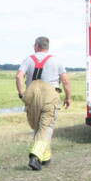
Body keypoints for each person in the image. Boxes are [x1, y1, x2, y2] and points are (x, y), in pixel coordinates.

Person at [15, 37, 72, 170]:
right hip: (49, 95)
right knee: (46, 126)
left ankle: (45, 157)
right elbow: (66, 81)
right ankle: (35, 156)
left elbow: (18, 76)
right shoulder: (56, 60)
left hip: (31, 95)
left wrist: (21, 93)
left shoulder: (28, 59)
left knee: (38, 126)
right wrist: (68, 97)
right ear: (47, 47)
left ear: (36, 46)